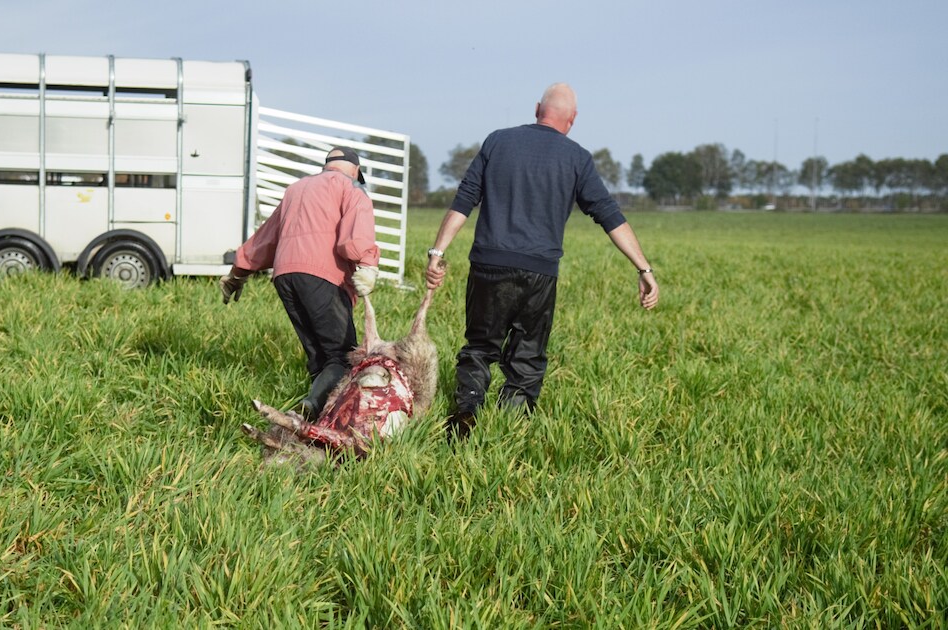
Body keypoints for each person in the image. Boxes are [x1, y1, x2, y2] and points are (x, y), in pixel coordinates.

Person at [425, 83, 659, 440]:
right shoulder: (577, 158)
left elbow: (465, 199)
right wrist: (643, 269)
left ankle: (465, 417)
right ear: (573, 120)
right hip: (539, 272)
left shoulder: (497, 141)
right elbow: (609, 215)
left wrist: (438, 253)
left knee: (480, 346)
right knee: (527, 355)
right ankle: (509, 431)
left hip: (489, 264)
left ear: (537, 108)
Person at [220, 147, 381, 420]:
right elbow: (352, 241)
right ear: (355, 170)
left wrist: (237, 274)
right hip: (322, 276)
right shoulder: (352, 189)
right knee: (342, 357)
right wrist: (368, 265)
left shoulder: (296, 189)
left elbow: (265, 239)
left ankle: (313, 418)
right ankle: (310, 409)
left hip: (285, 277)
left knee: (319, 355)